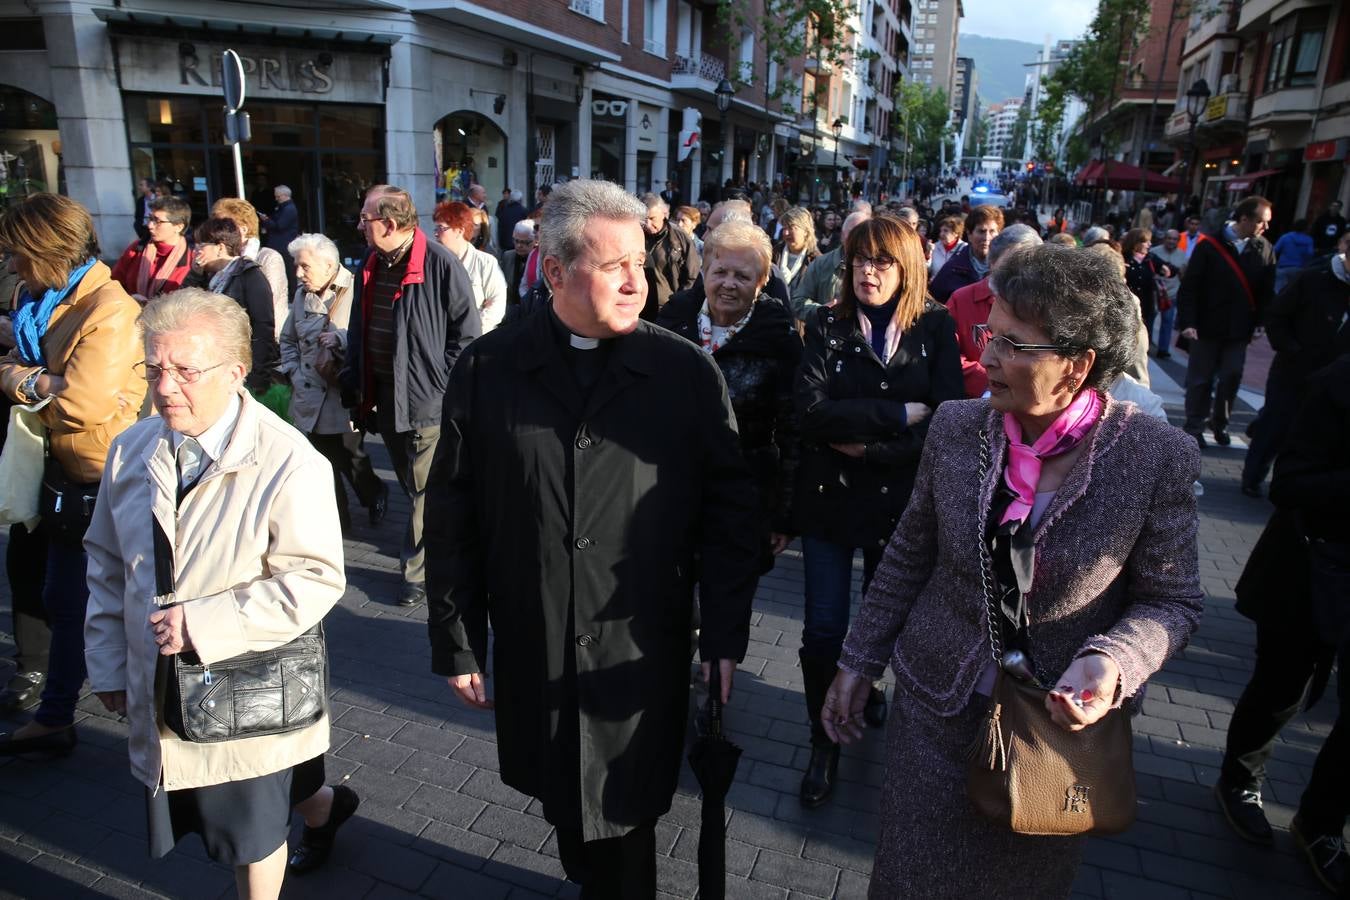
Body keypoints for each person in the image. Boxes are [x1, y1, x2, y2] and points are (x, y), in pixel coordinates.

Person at [823, 244, 1204, 898]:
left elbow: (1173, 602)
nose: (986, 357)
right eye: (986, 332)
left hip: (1054, 737)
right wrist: (857, 661)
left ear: (1077, 365)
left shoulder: (1154, 457)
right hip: (934, 710)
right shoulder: (956, 426)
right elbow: (910, 555)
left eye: (1012, 344)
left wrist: (1113, 662)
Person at [425, 179, 761, 899]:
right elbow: (452, 512)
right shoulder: (489, 369)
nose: (638, 282)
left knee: (623, 822)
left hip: (638, 652)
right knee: (570, 811)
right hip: (535, 641)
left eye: (641, 262)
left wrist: (725, 634)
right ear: (555, 271)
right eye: (615, 267)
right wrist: (455, 636)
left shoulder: (684, 374)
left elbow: (733, 517)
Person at [82, 289, 356, 898]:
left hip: (245, 686)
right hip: (161, 684)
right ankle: (325, 809)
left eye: (186, 370)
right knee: (259, 796)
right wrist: (105, 663)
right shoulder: (131, 448)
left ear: (236, 372)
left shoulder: (289, 461)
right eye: (154, 368)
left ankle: (314, 812)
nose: (166, 387)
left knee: (251, 833)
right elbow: (104, 565)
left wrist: (204, 624)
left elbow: (316, 578)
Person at [792, 214, 964, 807]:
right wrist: (894, 416)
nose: (868, 272)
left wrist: (869, 444)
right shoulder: (826, 323)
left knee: (887, 621)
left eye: (882, 261)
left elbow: (946, 418)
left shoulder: (935, 328)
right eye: (859, 261)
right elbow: (809, 414)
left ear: (908, 266)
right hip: (829, 503)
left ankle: (865, 689)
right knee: (822, 629)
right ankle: (824, 737)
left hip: (903, 506)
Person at [0, 194, 145, 756]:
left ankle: (67, 711)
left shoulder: (106, 307)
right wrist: (38, 380)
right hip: (58, 464)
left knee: (85, 598)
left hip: (99, 473)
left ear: (48, 251)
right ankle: (57, 711)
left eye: (18, 253)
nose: (12, 264)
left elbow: (82, 403)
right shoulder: (47, 300)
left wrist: (23, 382)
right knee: (61, 594)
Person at [1214, 350, 1350, 895]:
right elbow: (1289, 482)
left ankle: (1320, 822)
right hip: (1310, 567)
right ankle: (1239, 780)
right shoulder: (1335, 383)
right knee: (1282, 687)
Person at [345, 184, 481, 608]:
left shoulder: (440, 262)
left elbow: (468, 335)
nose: (360, 226)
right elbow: (358, 327)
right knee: (413, 484)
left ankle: (416, 574)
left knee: (422, 488)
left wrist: (440, 386)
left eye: (365, 218)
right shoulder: (371, 262)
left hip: (426, 400)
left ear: (388, 223)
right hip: (385, 394)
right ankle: (449, 539)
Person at [656, 218, 802, 570]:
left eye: (743, 276)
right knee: (667, 612)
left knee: (727, 614)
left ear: (762, 281)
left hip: (744, 500)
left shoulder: (779, 337)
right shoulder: (671, 322)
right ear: (704, 270)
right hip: (670, 495)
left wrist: (784, 515)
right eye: (720, 271)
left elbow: (793, 430)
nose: (729, 284)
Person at [280, 233, 388, 532]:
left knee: (351, 458)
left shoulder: (356, 289)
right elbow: (288, 339)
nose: (298, 273)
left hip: (341, 393)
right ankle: (338, 518)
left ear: (328, 265)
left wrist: (340, 338)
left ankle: (375, 492)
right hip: (307, 394)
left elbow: (372, 336)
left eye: (305, 266)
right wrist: (292, 371)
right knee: (320, 462)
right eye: (296, 266)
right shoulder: (303, 294)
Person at [1240, 230, 1350, 497]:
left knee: (1317, 434)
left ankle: (1295, 484)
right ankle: (1252, 477)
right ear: (1343, 246)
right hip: (1294, 369)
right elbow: (1277, 316)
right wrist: (1292, 350)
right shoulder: (1313, 277)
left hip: (1336, 382)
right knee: (1275, 424)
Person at [1176, 195, 1277, 448]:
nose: (1265, 228)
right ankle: (1194, 425)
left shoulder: (1264, 248)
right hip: (1206, 326)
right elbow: (1190, 286)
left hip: (1239, 328)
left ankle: (1220, 422)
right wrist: (1188, 321)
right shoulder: (1209, 246)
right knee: (1201, 378)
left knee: (1231, 375)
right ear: (1244, 219)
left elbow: (1267, 290)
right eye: (1261, 222)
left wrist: (1261, 322)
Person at [948, 224, 1042, 398]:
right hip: (975, 399)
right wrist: (988, 382)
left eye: (1028, 264)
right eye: (1012, 263)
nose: (1020, 272)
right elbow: (948, 353)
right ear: (992, 263)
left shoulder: (1043, 303)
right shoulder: (962, 300)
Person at [192, 216, 279, 398]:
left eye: (201, 245)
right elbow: (184, 304)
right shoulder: (210, 277)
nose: (196, 251)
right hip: (215, 363)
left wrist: (257, 376)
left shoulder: (250, 275)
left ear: (220, 247)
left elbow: (263, 327)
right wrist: (195, 274)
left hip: (242, 369)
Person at [212, 198, 290, 341]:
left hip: (265, 341)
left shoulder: (267, 258)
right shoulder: (219, 260)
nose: (218, 231)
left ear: (243, 229)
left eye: (225, 225)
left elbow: (268, 307)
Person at [432, 201, 507, 333]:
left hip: (476, 340)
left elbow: (497, 306)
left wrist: (472, 331)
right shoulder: (435, 263)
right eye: (435, 229)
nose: (436, 234)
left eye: (441, 228)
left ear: (459, 231)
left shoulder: (485, 263)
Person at [109, 195, 194, 302]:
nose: (150, 225)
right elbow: (113, 283)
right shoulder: (136, 248)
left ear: (178, 227)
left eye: (158, 221)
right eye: (150, 218)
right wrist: (130, 298)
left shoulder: (192, 258)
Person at [794, 210, 871, 319]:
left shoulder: (878, 266)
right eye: (852, 233)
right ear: (842, 235)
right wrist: (823, 311)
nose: (857, 239)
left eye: (863, 234)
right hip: (829, 332)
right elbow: (798, 303)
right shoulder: (821, 264)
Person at [639, 192, 700, 317]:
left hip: (668, 308)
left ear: (664, 214)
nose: (647, 224)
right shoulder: (634, 234)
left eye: (652, 219)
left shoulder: (680, 238)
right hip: (638, 306)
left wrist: (678, 303)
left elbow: (692, 276)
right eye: (643, 219)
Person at [930, 206, 1003, 303]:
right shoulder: (953, 268)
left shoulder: (1007, 271)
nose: (986, 237)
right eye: (981, 231)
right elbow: (930, 304)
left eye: (992, 231)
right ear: (969, 234)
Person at [1121, 227, 1170, 352]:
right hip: (1127, 304)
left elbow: (1171, 270)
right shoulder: (1123, 257)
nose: (1149, 244)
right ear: (1136, 242)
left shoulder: (1150, 258)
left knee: (1142, 341)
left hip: (1146, 306)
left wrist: (1166, 268)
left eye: (1150, 241)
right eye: (1146, 241)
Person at [1149, 229, 1187, 358]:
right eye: (1169, 238)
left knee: (1167, 322)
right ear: (1164, 239)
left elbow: (1183, 275)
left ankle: (1163, 349)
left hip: (1171, 294)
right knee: (1149, 320)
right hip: (1155, 293)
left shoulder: (1182, 255)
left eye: (1175, 239)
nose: (1171, 241)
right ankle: (1146, 346)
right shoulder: (1154, 252)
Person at [772, 206, 819, 299]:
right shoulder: (774, 254)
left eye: (791, 228)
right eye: (784, 228)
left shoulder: (816, 260)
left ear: (806, 231)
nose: (785, 233)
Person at [1272, 219, 1315, 294]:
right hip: (1298, 270)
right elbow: (1310, 254)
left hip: (1282, 268)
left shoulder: (1285, 237)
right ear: (1306, 228)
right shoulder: (1309, 240)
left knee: (1277, 292)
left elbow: (1275, 250)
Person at [501, 218, 535, 307]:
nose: (519, 245)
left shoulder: (538, 259)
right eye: (516, 241)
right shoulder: (508, 256)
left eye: (525, 242)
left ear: (536, 241)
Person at [928, 214, 966, 278]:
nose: (941, 234)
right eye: (941, 231)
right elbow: (927, 269)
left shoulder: (964, 249)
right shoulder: (935, 247)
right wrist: (928, 253)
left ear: (956, 233)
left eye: (945, 231)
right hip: (936, 286)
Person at [495, 188, 528, 254]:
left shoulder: (504, 210)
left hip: (505, 244)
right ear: (520, 199)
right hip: (519, 243)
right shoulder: (523, 211)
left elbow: (500, 228)